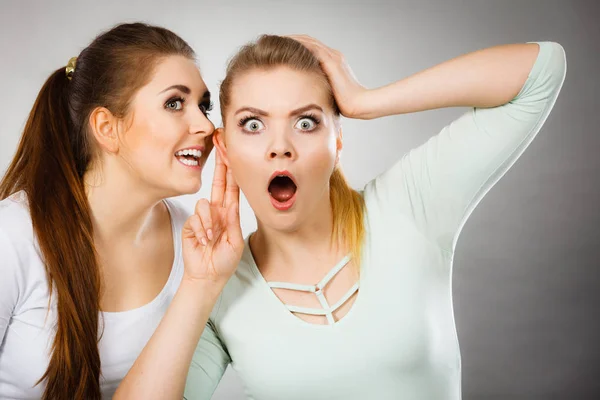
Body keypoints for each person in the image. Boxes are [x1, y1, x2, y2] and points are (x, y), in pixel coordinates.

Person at [182, 35, 567, 399]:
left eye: (306, 123)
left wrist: (368, 100)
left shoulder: (408, 206)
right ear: (225, 149)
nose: (280, 147)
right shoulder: (216, 290)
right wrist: (199, 285)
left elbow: (540, 70)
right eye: (253, 124)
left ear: (338, 139)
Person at [0, 22, 243, 399]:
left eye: (203, 106)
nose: (205, 126)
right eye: (174, 103)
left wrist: (202, 285)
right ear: (106, 128)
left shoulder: (195, 243)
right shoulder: (12, 235)